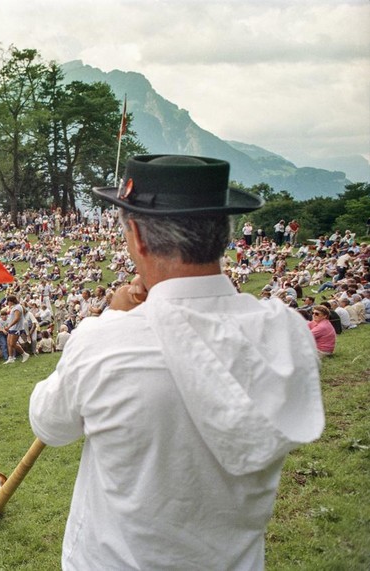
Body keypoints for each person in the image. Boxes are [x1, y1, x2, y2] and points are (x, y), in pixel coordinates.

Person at [29, 155, 324, 569]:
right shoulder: (286, 333)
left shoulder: (103, 342)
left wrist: (111, 317)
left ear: (137, 237)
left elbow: (49, 424)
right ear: (224, 231)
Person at [4, 295, 29, 364]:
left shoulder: (17, 307)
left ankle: (24, 354)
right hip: (13, 328)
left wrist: (9, 326)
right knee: (9, 342)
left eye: (8, 301)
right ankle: (11, 358)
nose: (7, 303)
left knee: (12, 344)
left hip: (16, 328)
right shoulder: (15, 307)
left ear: (11, 301)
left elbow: (17, 318)